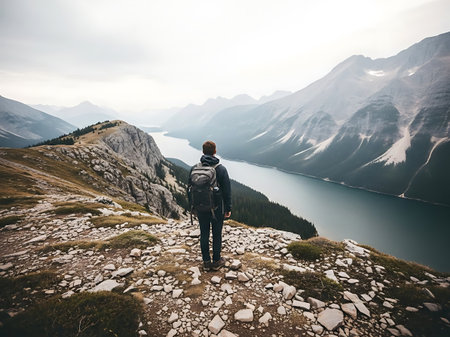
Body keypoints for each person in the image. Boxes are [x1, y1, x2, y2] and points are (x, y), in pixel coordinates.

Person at [189, 140, 231, 271]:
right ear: (215, 151)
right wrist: (228, 208)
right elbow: (227, 190)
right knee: (217, 234)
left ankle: (206, 262)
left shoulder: (194, 168)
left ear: (203, 151)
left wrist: (193, 206)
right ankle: (217, 260)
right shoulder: (221, 169)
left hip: (201, 207)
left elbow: (189, 189)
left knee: (204, 233)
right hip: (217, 208)